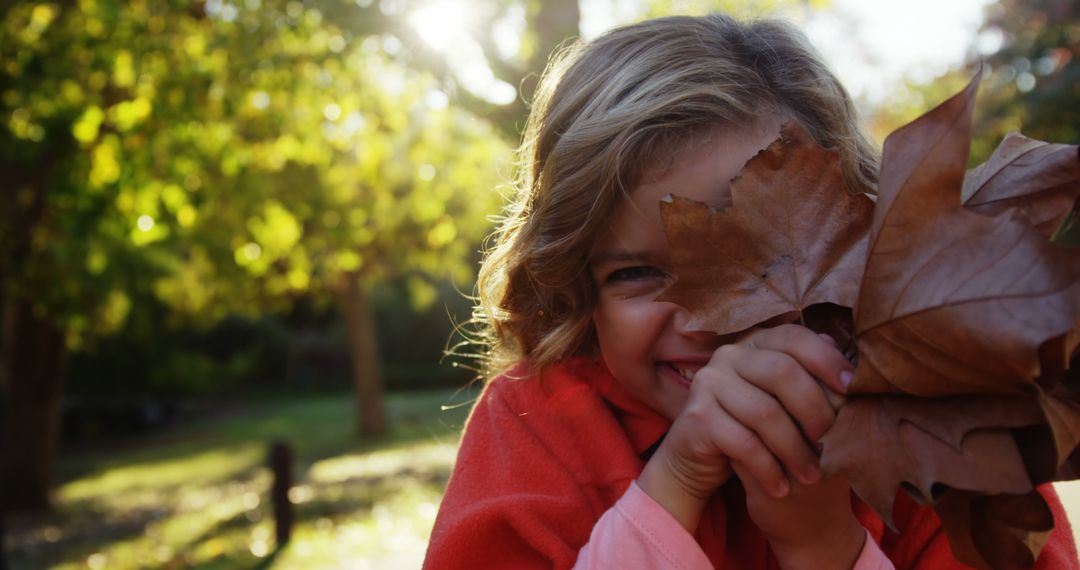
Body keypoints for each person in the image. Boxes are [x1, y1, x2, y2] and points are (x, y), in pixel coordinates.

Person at [422, 13, 1078, 570]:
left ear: (860, 243)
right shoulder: (535, 425)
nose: (701, 319)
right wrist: (673, 485)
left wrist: (827, 548)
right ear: (578, 288)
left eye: (750, 257)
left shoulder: (944, 424)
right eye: (635, 274)